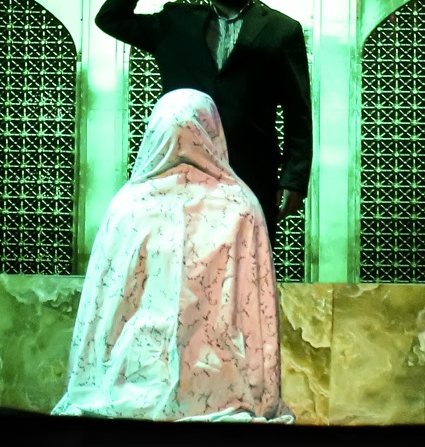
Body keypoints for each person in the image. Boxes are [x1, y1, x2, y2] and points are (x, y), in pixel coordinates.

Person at [54, 90, 291, 422]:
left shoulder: (128, 206)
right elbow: (256, 317)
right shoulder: (241, 205)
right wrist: (262, 393)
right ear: (212, 131)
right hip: (217, 379)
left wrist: (90, 379)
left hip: (132, 374)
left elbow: (101, 313)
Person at [96, 0, 311, 242]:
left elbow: (298, 113)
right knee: (182, 260)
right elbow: (110, 18)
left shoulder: (282, 30)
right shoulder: (176, 23)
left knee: (247, 262)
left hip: (251, 172)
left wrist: (294, 180)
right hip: (180, 171)